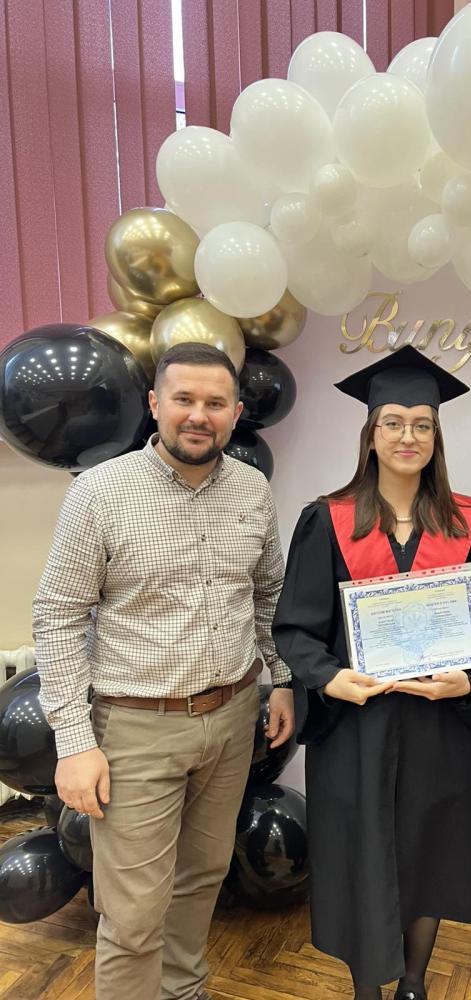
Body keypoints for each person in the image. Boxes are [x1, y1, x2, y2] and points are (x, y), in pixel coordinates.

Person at [33, 342, 294, 1000]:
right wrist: (74, 742)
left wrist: (282, 678)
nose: (198, 415)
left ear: (236, 413)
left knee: (202, 876)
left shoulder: (253, 490)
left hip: (233, 716)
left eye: (215, 402)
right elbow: (58, 617)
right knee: (133, 913)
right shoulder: (101, 492)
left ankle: (183, 989)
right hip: (135, 729)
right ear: (155, 404)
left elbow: (268, 593)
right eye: (184, 399)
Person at [272, 346, 471, 1000]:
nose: (409, 436)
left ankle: (414, 982)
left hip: (440, 726)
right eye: (394, 422)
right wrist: (329, 679)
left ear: (437, 436)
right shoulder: (328, 520)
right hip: (358, 725)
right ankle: (364, 989)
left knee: (430, 849)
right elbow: (296, 627)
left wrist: (470, 680)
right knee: (361, 852)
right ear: (371, 433)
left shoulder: (468, 520)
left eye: (422, 424)